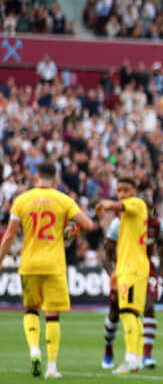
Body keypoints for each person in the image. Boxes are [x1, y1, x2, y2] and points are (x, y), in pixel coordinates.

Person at [0, 161, 95, 379]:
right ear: (55, 179)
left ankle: (34, 351)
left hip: (30, 263)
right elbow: (88, 225)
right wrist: (72, 230)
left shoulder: (22, 200)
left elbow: (10, 235)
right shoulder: (63, 199)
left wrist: (0, 259)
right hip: (54, 265)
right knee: (52, 316)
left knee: (31, 310)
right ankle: (52, 366)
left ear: (35, 178)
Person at [101, 196, 163, 369]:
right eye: (143, 209)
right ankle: (108, 348)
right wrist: (112, 275)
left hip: (147, 268)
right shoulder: (120, 223)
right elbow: (105, 254)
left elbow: (161, 245)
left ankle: (145, 355)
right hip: (125, 268)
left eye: (149, 210)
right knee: (116, 311)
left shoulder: (156, 225)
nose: (146, 213)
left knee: (148, 306)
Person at [94, 176, 150, 374]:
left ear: (134, 190)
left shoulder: (136, 203)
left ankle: (131, 359)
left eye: (126, 190)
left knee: (127, 314)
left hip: (132, 267)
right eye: (119, 190)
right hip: (132, 267)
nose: (122, 194)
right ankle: (136, 358)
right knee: (134, 315)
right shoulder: (127, 216)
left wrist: (105, 204)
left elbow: (115, 205)